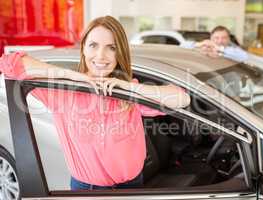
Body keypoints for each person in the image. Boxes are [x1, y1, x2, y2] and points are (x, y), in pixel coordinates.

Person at [0, 16, 191, 190]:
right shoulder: (62, 91)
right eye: (93, 45)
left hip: (133, 186)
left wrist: (129, 88)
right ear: (83, 48)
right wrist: (72, 75)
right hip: (88, 189)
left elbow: (182, 98)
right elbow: (9, 63)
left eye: (112, 47)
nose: (101, 56)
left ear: (120, 53)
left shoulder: (128, 92)